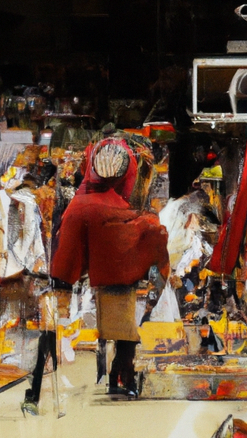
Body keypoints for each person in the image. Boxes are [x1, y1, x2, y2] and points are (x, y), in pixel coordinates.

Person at [51, 138, 169, 398]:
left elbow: (67, 247)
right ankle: (121, 376)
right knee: (125, 331)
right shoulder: (116, 204)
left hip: (95, 280)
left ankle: (119, 374)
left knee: (122, 329)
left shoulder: (81, 203)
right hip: (115, 280)